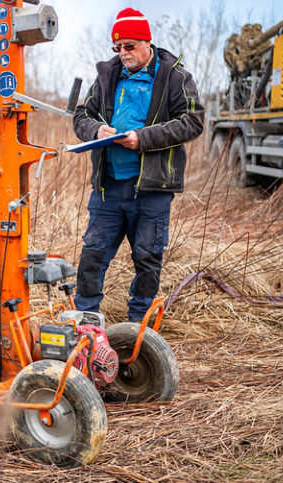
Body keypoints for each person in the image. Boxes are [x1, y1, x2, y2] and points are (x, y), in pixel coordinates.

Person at [73, 7, 204, 321]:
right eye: (117, 48)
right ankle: (86, 324)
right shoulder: (107, 75)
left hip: (152, 190)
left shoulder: (174, 76)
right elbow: (81, 116)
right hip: (109, 188)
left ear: (148, 42)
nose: (123, 53)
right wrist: (95, 130)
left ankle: (138, 327)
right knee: (92, 255)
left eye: (129, 46)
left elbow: (193, 121)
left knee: (147, 258)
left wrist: (142, 138)